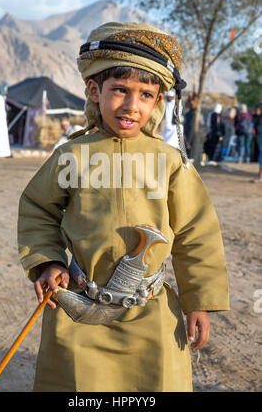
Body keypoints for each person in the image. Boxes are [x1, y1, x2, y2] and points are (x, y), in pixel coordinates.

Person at [18, 22, 229, 392]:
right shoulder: (72, 156)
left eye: (146, 95)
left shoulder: (170, 163)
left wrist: (200, 300)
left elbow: (197, 234)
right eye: (120, 90)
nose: (132, 105)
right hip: (80, 311)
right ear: (94, 90)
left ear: (159, 101)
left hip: (151, 316)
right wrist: (48, 261)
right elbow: (38, 210)